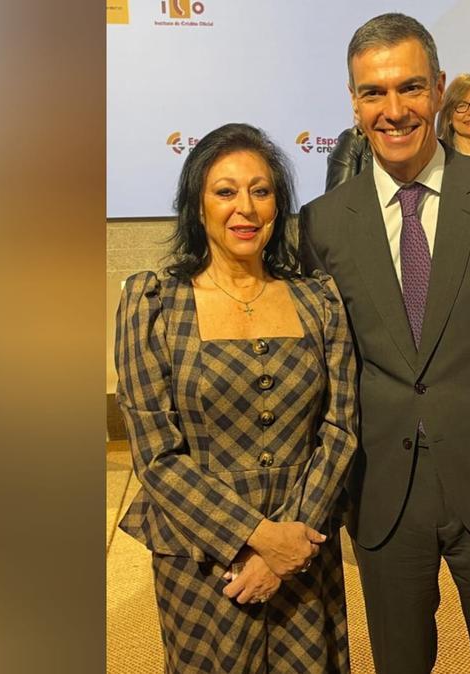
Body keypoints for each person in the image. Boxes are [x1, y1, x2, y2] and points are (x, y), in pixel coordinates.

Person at [299, 13, 470, 674]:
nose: (393, 110)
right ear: (353, 102)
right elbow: (326, 363)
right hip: (382, 490)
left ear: (439, 89)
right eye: (374, 92)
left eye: (410, 87)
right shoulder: (322, 224)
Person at [114, 122, 358, 672]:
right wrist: (256, 538)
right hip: (202, 558)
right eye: (225, 191)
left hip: (304, 544)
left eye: (261, 190)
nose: (244, 208)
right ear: (197, 206)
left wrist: (288, 545)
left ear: (278, 204)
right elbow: (155, 455)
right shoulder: (154, 305)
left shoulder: (318, 300)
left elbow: (341, 427)